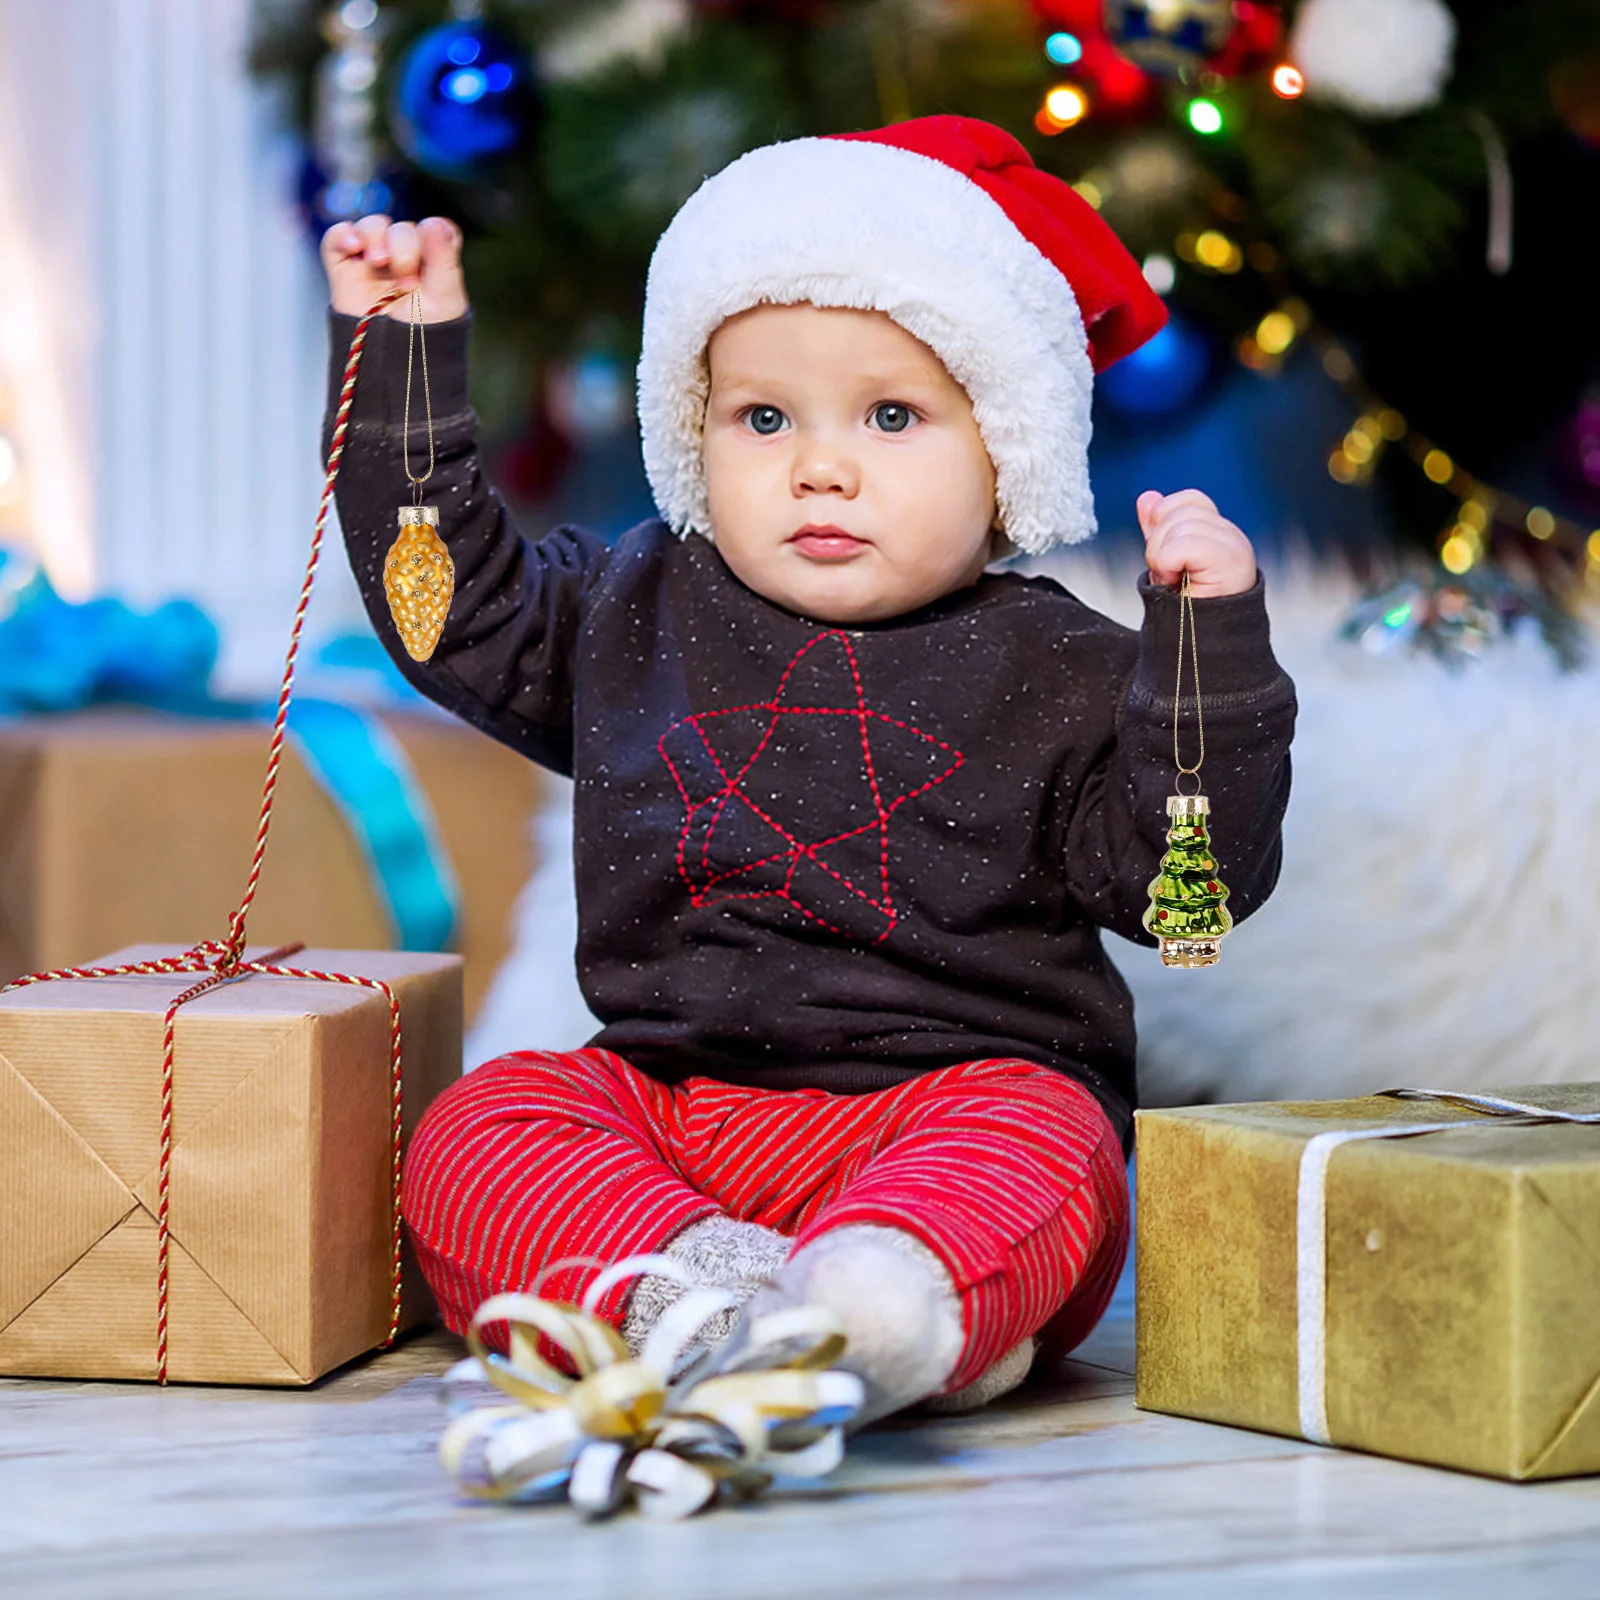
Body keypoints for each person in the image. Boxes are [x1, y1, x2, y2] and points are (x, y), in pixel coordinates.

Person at [321, 116, 1296, 1423]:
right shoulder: (632, 608)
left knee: (1055, 1148)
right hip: (669, 1111)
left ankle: (885, 1307)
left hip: (948, 1106)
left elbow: (1194, 890)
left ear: (1006, 453)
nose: (820, 467)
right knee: (479, 1125)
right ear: (694, 433)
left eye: (892, 416)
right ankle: (698, 1296)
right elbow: (443, 607)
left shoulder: (1063, 665)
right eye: (763, 416)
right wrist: (403, 359)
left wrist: (1206, 658)